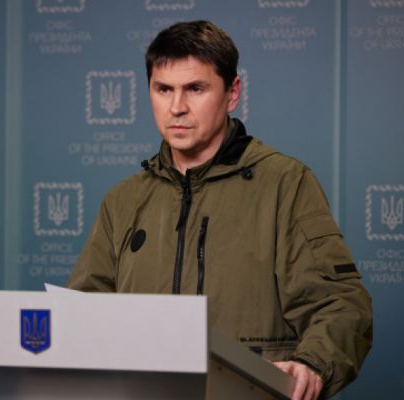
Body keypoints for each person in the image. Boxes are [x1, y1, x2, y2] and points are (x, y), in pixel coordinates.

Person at [67, 20, 372, 400]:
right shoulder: (123, 200)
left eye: (195, 88)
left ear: (232, 93)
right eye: (163, 89)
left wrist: (312, 363)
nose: (177, 107)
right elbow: (82, 316)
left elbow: (341, 305)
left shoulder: (284, 184)